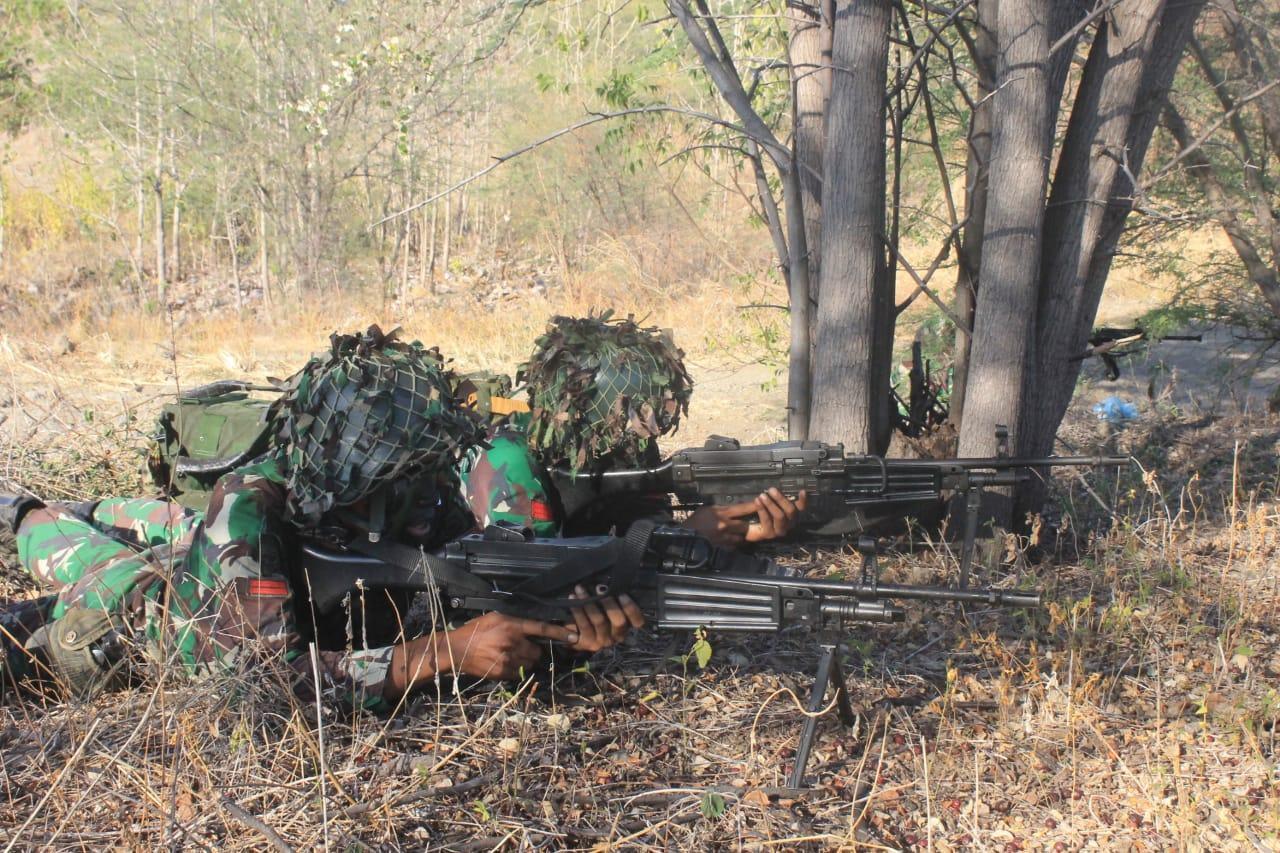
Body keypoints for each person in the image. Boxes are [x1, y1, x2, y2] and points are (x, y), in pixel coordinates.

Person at [0, 326, 643, 706]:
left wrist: (563, 622)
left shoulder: (410, 486)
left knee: (155, 519)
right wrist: (439, 654)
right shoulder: (247, 509)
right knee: (61, 535)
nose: (417, 484)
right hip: (148, 615)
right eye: (390, 465)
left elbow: (489, 588)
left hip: (217, 559)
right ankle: (18, 508)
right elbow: (263, 690)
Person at [461, 312, 807, 545]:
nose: (644, 437)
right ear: (580, 417)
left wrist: (740, 532)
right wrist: (688, 534)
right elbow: (533, 584)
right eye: (626, 423)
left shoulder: (624, 443)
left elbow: (643, 530)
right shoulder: (506, 462)